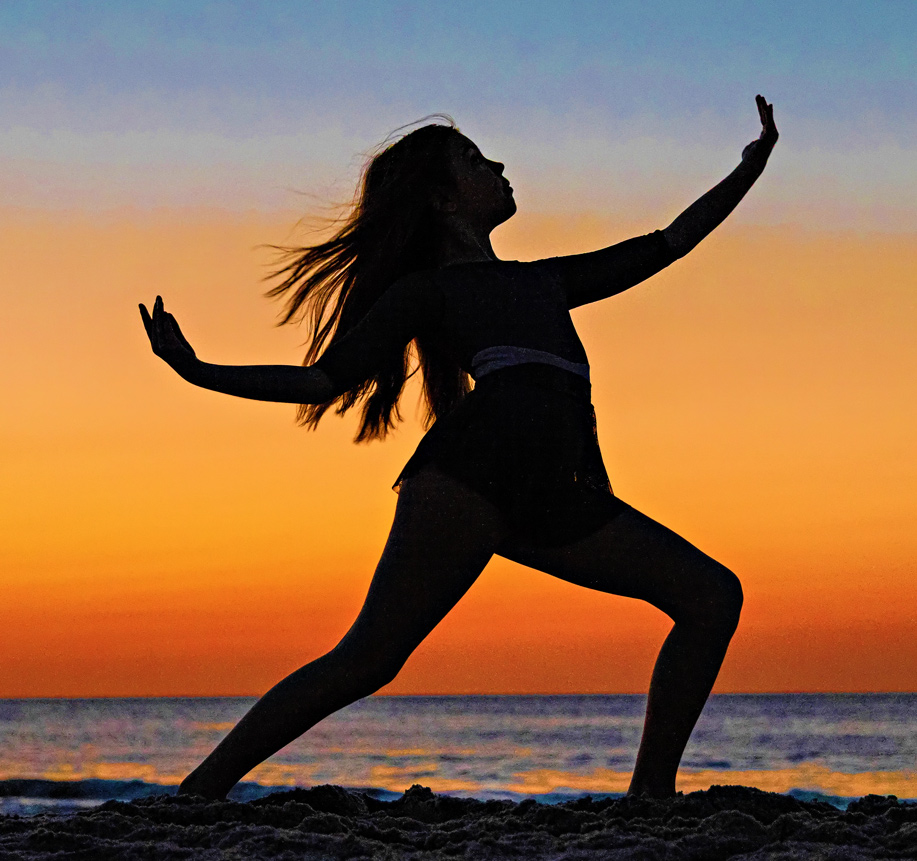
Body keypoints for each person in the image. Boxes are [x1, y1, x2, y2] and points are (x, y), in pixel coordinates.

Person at [141, 96, 778, 800]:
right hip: (468, 476)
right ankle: (200, 791)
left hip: (556, 486)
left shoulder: (544, 278)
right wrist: (197, 370)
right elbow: (323, 378)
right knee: (369, 658)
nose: (499, 164)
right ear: (444, 200)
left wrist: (748, 167)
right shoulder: (427, 291)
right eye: (476, 159)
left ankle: (650, 793)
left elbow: (670, 241)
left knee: (711, 595)